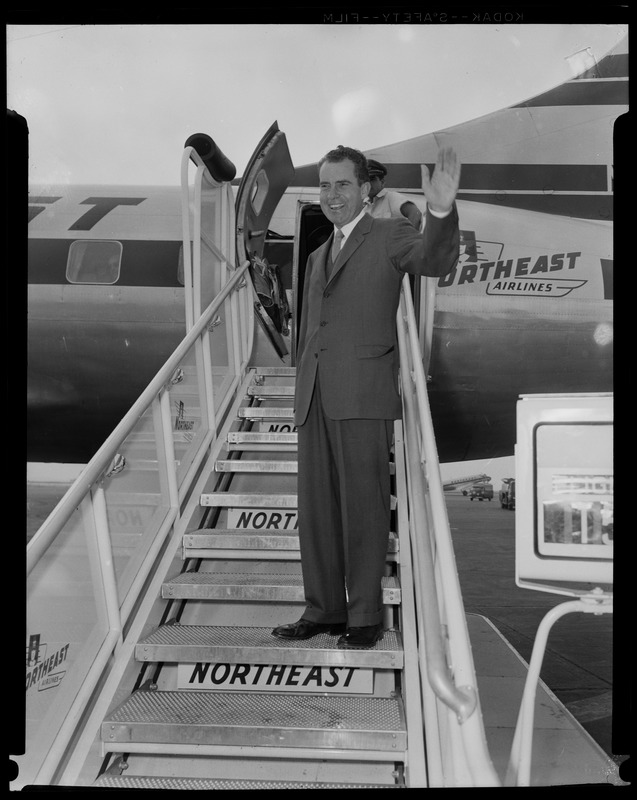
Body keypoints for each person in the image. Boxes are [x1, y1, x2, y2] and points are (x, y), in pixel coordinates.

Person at [272, 144, 460, 649]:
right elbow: (314, 327)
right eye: (325, 186)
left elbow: (434, 260)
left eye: (343, 185)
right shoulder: (316, 255)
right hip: (315, 394)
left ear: (365, 190)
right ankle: (324, 609)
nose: (332, 196)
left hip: (362, 393)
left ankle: (365, 616)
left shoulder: (388, 234)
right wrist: (300, 382)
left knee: (363, 509)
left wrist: (440, 211)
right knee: (316, 513)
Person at [365, 159, 423, 229]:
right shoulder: (364, 206)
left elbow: (415, 214)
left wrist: (408, 238)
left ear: (382, 182)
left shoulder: (391, 198)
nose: (369, 184)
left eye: (372, 179)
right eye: (365, 180)